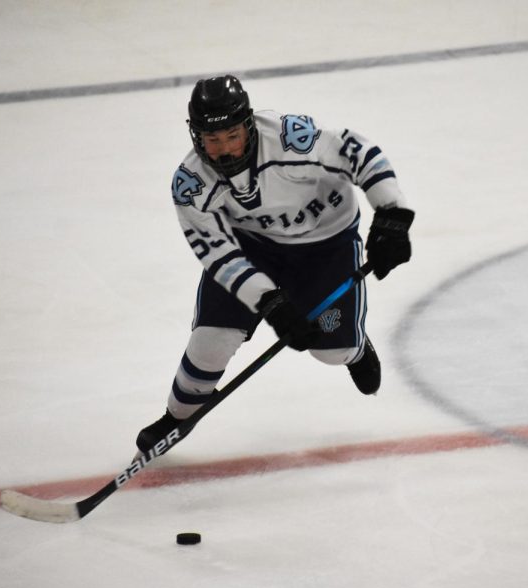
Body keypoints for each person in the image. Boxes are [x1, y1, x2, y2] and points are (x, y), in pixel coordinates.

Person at [136, 75, 415, 452]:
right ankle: (176, 418)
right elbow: (217, 252)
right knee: (209, 344)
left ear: (248, 125)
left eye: (231, 136)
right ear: (196, 137)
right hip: (253, 247)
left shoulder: (289, 139)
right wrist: (268, 301)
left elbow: (358, 151)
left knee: (331, 352)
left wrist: (392, 214)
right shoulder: (191, 184)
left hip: (325, 245)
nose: (224, 150)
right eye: (212, 140)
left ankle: (356, 349)